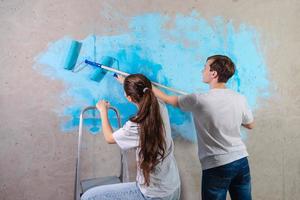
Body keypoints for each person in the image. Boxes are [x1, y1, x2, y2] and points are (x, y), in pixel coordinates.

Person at [151, 55, 254, 200]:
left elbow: (167, 99)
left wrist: (147, 85)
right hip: (241, 160)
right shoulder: (239, 98)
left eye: (205, 67)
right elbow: (250, 124)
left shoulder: (198, 99)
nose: (202, 71)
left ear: (214, 74)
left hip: (217, 165)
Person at [81, 74, 181, 200]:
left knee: (89, 197)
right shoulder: (160, 106)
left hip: (153, 194)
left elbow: (109, 138)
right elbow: (150, 89)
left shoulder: (136, 125)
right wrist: (129, 83)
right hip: (173, 187)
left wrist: (103, 111)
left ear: (129, 98)